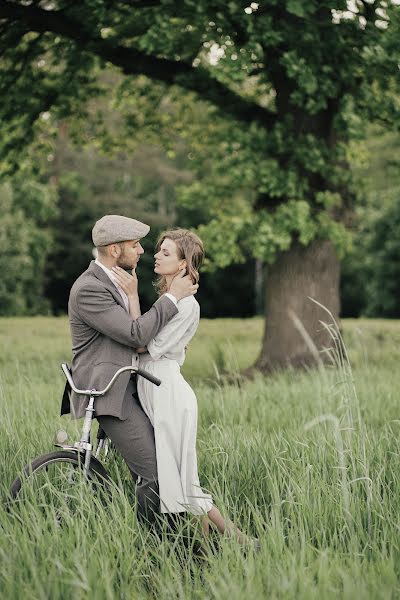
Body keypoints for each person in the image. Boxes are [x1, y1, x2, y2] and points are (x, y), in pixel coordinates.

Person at [113, 228, 258, 546]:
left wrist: (135, 296)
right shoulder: (170, 300)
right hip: (155, 388)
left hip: (169, 396)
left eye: (166, 252)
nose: (156, 255)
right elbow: (142, 334)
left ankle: (241, 541)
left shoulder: (185, 304)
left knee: (183, 482)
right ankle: (207, 547)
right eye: (158, 250)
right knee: (171, 479)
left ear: (182, 265)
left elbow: (141, 345)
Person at [67, 215, 198, 520]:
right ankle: (156, 548)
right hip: (109, 391)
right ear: (114, 250)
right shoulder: (89, 288)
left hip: (130, 385)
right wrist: (173, 297)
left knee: (168, 463)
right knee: (155, 472)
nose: (142, 251)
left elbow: (138, 329)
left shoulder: (116, 282)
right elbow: (137, 334)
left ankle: (194, 535)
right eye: (135, 245)